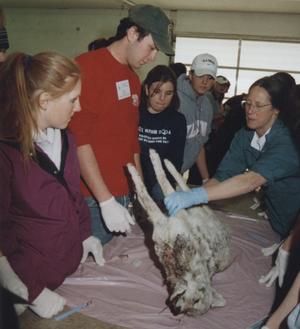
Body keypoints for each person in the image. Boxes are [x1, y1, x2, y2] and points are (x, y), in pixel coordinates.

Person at [0, 52, 104, 319]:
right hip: (28, 288)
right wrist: (28, 291)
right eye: (73, 100)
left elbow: (73, 196)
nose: (79, 107)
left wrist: (84, 234)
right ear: (44, 101)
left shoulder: (66, 139)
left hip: (64, 277)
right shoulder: (7, 153)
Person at [69, 4, 174, 245]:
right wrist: (105, 200)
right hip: (94, 198)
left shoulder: (133, 80)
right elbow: (79, 139)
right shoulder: (87, 67)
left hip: (125, 193)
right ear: (132, 34)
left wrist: (141, 192)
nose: (151, 57)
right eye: (151, 48)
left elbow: (131, 139)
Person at [165, 74, 300, 239]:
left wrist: (195, 196)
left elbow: (251, 180)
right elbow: (224, 176)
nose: (250, 111)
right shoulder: (245, 136)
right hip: (277, 219)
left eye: (258, 106)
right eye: (248, 104)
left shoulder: (288, 142)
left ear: (276, 110)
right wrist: (195, 199)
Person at [138, 65, 186, 203]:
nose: (162, 98)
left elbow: (176, 162)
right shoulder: (134, 115)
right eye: (157, 91)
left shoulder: (178, 120)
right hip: (135, 180)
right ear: (147, 89)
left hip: (162, 182)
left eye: (169, 93)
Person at [177, 53, 218, 184]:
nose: (205, 82)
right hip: (160, 172)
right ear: (191, 75)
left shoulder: (207, 106)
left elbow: (198, 144)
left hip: (179, 173)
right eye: (200, 75)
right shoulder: (175, 99)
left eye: (210, 78)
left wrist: (206, 179)